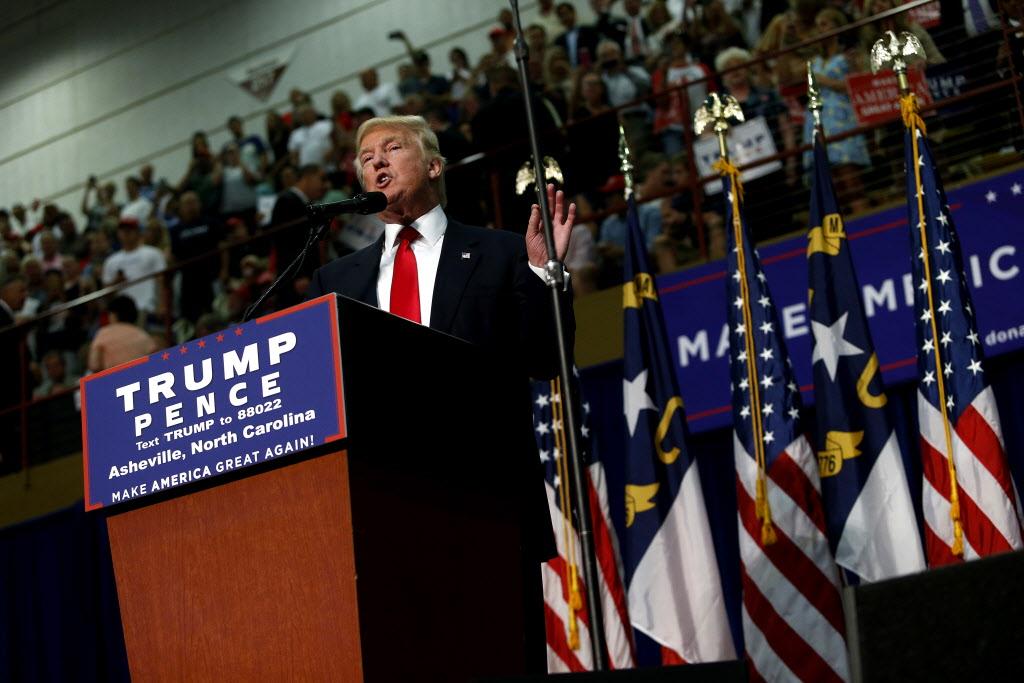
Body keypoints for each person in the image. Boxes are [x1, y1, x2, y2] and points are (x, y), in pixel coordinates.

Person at [87, 295, 158, 372]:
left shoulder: (103, 333)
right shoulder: (143, 335)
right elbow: (155, 361)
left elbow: (94, 365)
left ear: (113, 314)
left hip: (113, 380)